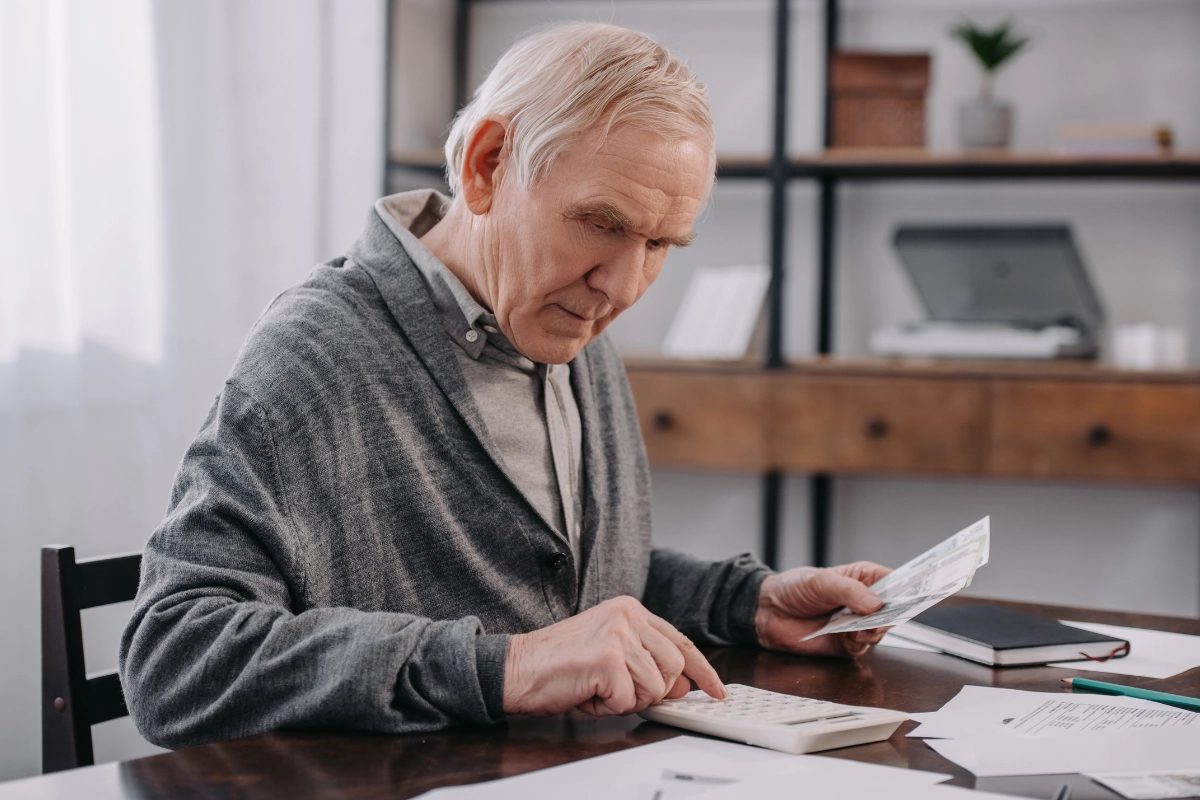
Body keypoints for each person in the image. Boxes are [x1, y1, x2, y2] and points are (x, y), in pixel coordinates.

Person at [119, 22, 890, 749]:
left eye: (659, 243)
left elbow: (565, 595)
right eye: (600, 223)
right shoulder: (317, 351)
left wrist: (748, 604)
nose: (622, 286)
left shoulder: (569, 326)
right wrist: (507, 668)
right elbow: (174, 659)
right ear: (487, 167)